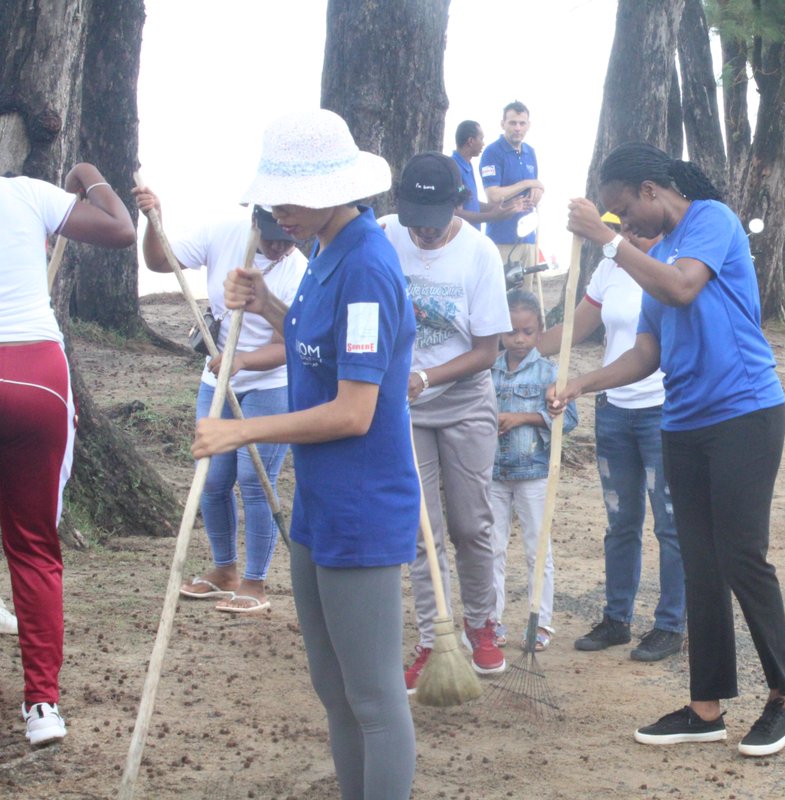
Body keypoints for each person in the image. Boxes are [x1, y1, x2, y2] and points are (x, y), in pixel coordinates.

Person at [195, 109, 418, 798]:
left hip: (362, 506)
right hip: (319, 506)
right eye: (273, 194)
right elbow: (311, 344)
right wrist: (265, 302)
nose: (275, 210)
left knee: (375, 698)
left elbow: (355, 411)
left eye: (288, 194)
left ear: (333, 186)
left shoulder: (368, 267)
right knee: (333, 687)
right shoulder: (323, 254)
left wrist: (243, 431)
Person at [558, 142, 785, 758]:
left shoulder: (712, 221)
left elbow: (683, 290)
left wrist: (606, 240)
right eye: (613, 218)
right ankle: (706, 706)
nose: (624, 224)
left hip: (746, 412)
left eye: (624, 211)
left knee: (742, 555)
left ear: (649, 190)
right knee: (700, 563)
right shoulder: (657, 255)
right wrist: (582, 383)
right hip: (685, 421)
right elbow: (649, 351)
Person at [1, 164, 136, 746]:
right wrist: (87, 173)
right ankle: (42, 708)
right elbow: (120, 228)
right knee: (33, 548)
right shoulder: (27, 193)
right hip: (34, 374)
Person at [376, 153, 511, 689]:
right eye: (415, 217)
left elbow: (486, 351)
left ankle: (482, 626)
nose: (423, 231)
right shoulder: (384, 235)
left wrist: (428, 379)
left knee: (469, 525)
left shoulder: (479, 254)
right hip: (404, 408)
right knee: (421, 530)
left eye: (433, 217)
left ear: (456, 204)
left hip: (464, 400)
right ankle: (435, 638)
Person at [135, 192, 305, 614]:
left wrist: (241, 361)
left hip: (271, 384)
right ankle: (224, 570)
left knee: (254, 478)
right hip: (217, 379)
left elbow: (291, 345)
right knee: (211, 478)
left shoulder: (299, 268)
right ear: (254, 222)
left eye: (287, 239)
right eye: (271, 237)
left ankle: (255, 580)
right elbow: (161, 263)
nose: (280, 246)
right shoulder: (221, 233)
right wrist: (153, 219)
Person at [539, 212, 687, 663]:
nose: (630, 237)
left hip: (662, 410)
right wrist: (516, 341)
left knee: (669, 524)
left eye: (639, 229)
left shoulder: (673, 267)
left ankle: (668, 625)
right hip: (614, 411)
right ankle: (616, 618)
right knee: (621, 521)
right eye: (624, 230)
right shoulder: (609, 269)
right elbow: (575, 330)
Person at [488, 289, 577, 650]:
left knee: (537, 548)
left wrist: (522, 417)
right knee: (490, 548)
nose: (519, 339)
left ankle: (539, 623)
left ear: (539, 330)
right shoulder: (487, 370)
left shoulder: (549, 372)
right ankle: (489, 622)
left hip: (534, 472)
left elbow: (568, 418)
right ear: (499, 332)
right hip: (491, 472)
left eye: (527, 331)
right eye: (511, 332)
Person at [480, 101, 542, 272]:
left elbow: (535, 187)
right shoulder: (492, 152)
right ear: (503, 124)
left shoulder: (530, 152)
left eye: (522, 123)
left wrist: (537, 190)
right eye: (513, 123)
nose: (517, 128)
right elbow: (493, 195)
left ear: (528, 125)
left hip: (528, 238)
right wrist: (528, 183)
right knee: (503, 295)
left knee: (526, 297)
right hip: (502, 238)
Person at [451, 120, 517, 231]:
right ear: (471, 141)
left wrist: (503, 208)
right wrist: (492, 216)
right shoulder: (453, 167)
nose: (483, 143)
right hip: (461, 237)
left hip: (472, 236)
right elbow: (457, 213)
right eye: (481, 139)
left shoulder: (467, 164)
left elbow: (471, 203)